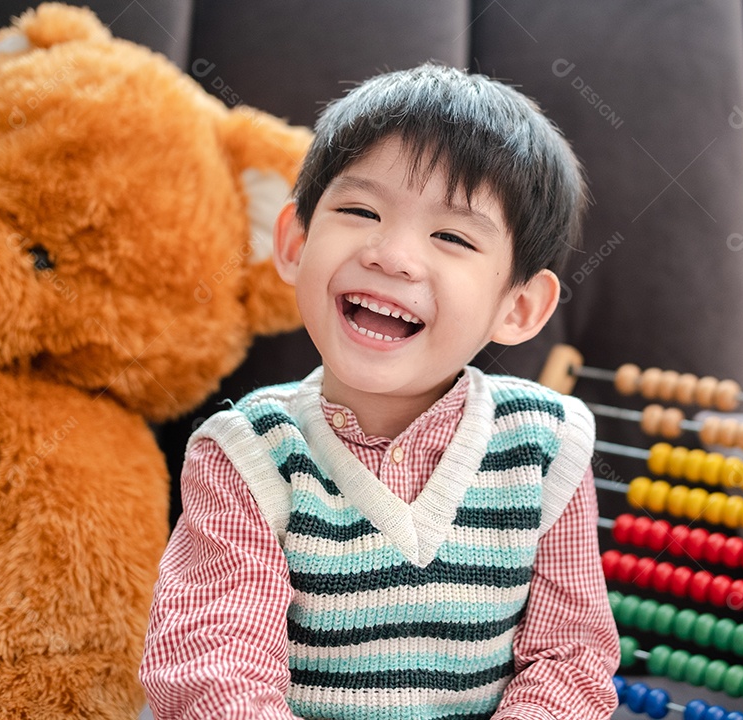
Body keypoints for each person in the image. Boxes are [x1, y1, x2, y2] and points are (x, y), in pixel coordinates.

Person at [140, 63, 619, 720]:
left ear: (519, 308)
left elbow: (570, 658)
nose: (391, 255)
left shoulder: (546, 449)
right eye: (361, 211)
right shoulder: (246, 455)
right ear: (295, 242)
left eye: (451, 236)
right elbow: (213, 661)